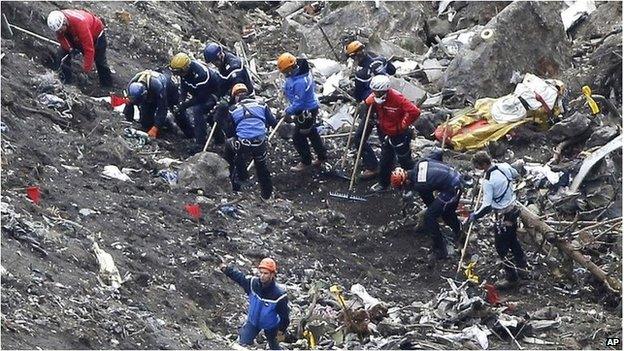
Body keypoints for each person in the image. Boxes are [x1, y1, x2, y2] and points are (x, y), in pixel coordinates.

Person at [465, 151, 529, 289]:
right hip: (513, 210)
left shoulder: (488, 181)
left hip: (503, 215)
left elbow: (487, 206)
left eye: (478, 166)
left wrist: (475, 215)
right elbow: (516, 175)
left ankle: (511, 278)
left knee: (501, 248)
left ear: (483, 164)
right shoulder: (504, 166)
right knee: (513, 241)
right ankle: (522, 269)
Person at [390, 159, 464, 259]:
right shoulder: (419, 164)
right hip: (455, 176)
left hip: (453, 188)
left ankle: (440, 250)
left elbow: (429, 202)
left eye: (403, 186)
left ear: (406, 181)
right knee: (446, 212)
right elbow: (436, 155)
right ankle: (460, 234)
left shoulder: (420, 185)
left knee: (430, 216)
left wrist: (430, 223)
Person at [345, 40, 397, 180]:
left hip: (372, 108)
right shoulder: (380, 60)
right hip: (387, 104)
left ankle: (373, 167)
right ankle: (392, 167)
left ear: (355, 57)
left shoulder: (361, 74)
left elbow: (358, 94)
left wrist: (359, 103)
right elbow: (393, 71)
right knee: (385, 139)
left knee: (360, 137)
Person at [364, 75, 420, 192]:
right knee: (385, 159)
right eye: (374, 91)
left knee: (405, 161)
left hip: (400, 134)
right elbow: (369, 101)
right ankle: (383, 184)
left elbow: (414, 111)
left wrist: (403, 124)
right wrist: (365, 104)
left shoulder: (397, 98)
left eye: (378, 92)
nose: (375, 94)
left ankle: (412, 185)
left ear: (385, 90)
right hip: (387, 133)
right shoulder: (375, 97)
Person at [220, 258, 289, 350]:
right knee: (242, 343)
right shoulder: (252, 283)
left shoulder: (279, 295)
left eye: (266, 273)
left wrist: (281, 330)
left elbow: (284, 316)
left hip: (271, 325)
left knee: (274, 346)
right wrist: (226, 269)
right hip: (253, 322)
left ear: (272, 274)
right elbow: (239, 277)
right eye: (261, 272)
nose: (262, 276)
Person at [224, 83, 276, 200]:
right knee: (262, 167)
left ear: (235, 96)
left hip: (243, 143)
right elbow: (273, 122)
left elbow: (230, 133)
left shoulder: (233, 110)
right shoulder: (262, 105)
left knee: (231, 150)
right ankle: (267, 195)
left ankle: (238, 184)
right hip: (260, 142)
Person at [277, 52, 328, 172]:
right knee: (312, 133)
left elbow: (299, 102)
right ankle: (322, 156)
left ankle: (306, 161)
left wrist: (288, 111)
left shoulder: (301, 82)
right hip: (309, 108)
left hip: (306, 111)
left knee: (298, 138)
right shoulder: (300, 72)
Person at [169, 53, 224, 153]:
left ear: (186, 68)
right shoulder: (184, 73)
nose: (178, 75)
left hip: (212, 93)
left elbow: (200, 98)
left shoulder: (201, 75)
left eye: (178, 72)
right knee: (181, 108)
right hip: (199, 92)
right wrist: (181, 101)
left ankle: (200, 144)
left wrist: (185, 105)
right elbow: (184, 86)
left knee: (198, 110)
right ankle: (191, 133)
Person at [47, 9, 112, 86]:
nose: (60, 32)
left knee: (99, 59)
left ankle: (106, 85)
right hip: (74, 31)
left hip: (96, 33)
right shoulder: (60, 21)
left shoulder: (81, 25)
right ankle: (67, 80)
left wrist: (86, 70)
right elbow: (61, 38)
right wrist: (70, 49)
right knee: (62, 53)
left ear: (64, 22)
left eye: (61, 30)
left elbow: (89, 50)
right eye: (58, 31)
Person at [123, 69, 194, 139]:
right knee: (145, 122)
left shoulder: (157, 86)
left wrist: (155, 129)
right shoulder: (131, 86)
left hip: (169, 90)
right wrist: (129, 121)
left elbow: (162, 109)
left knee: (178, 112)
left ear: (145, 92)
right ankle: (164, 124)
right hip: (150, 95)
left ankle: (190, 134)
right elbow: (129, 105)